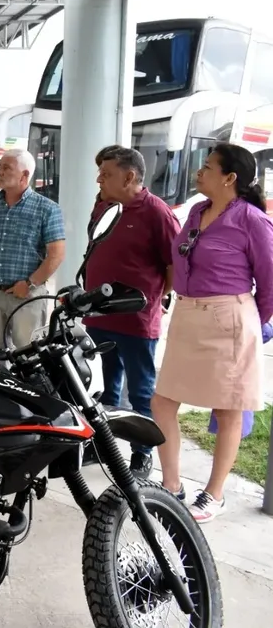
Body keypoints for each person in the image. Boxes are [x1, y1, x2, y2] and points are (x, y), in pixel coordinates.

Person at [151, 143, 273, 523]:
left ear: (229, 177)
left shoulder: (252, 219)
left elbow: (270, 282)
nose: (198, 173)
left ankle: (214, 494)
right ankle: (171, 484)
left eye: (207, 167)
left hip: (229, 319)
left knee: (228, 407)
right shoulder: (197, 212)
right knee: (163, 401)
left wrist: (254, 321)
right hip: (188, 316)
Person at [83, 145, 180, 479]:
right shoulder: (104, 205)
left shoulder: (157, 213)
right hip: (100, 315)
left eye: (106, 174)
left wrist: (152, 298)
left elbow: (172, 268)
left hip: (137, 320)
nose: (99, 180)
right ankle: (105, 446)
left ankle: (142, 453)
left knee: (141, 391)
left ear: (130, 176)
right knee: (105, 387)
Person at [0, 149, 65, 349]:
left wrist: (29, 284)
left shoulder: (47, 209)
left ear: (25, 175)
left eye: (6, 168)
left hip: (27, 296)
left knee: (27, 353)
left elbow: (56, 255)